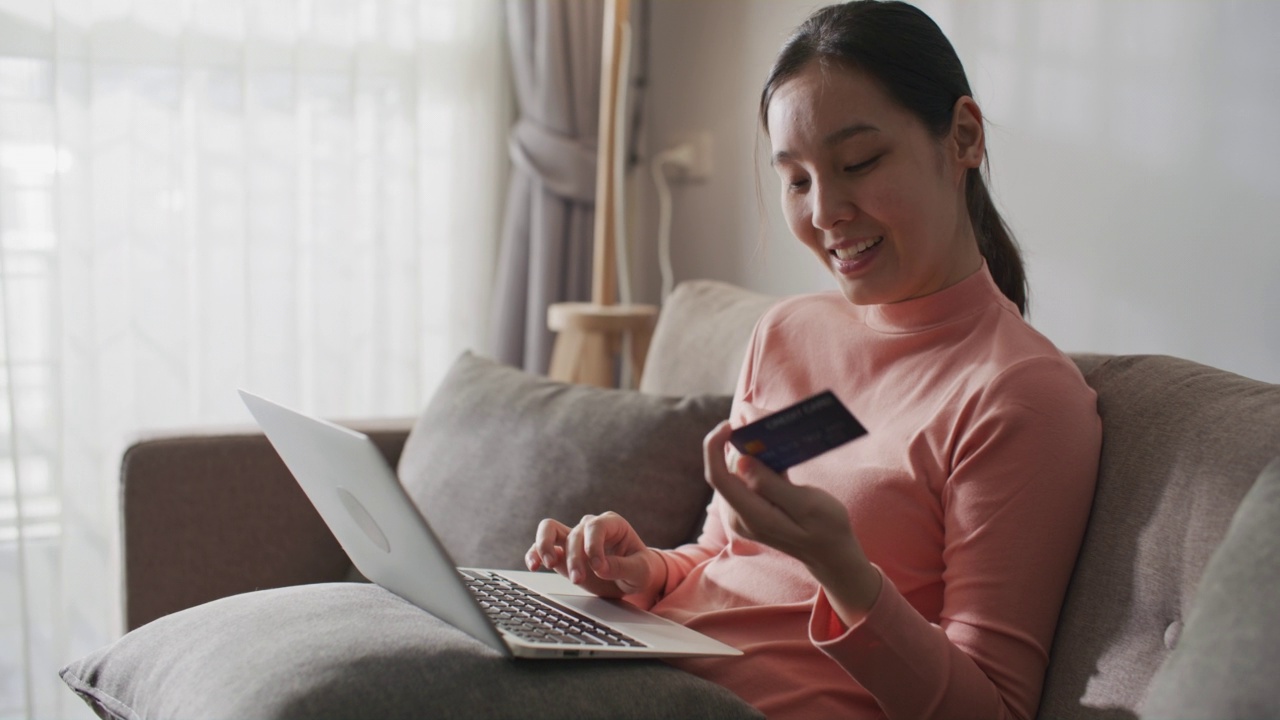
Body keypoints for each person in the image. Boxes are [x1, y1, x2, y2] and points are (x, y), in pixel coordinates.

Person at [527, 2, 1101, 718]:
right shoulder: (788, 333)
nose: (825, 210)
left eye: (858, 163)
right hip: (644, 677)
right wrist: (638, 571)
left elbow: (992, 708)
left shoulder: (1019, 395)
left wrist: (845, 574)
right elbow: (722, 558)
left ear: (963, 137)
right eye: (797, 179)